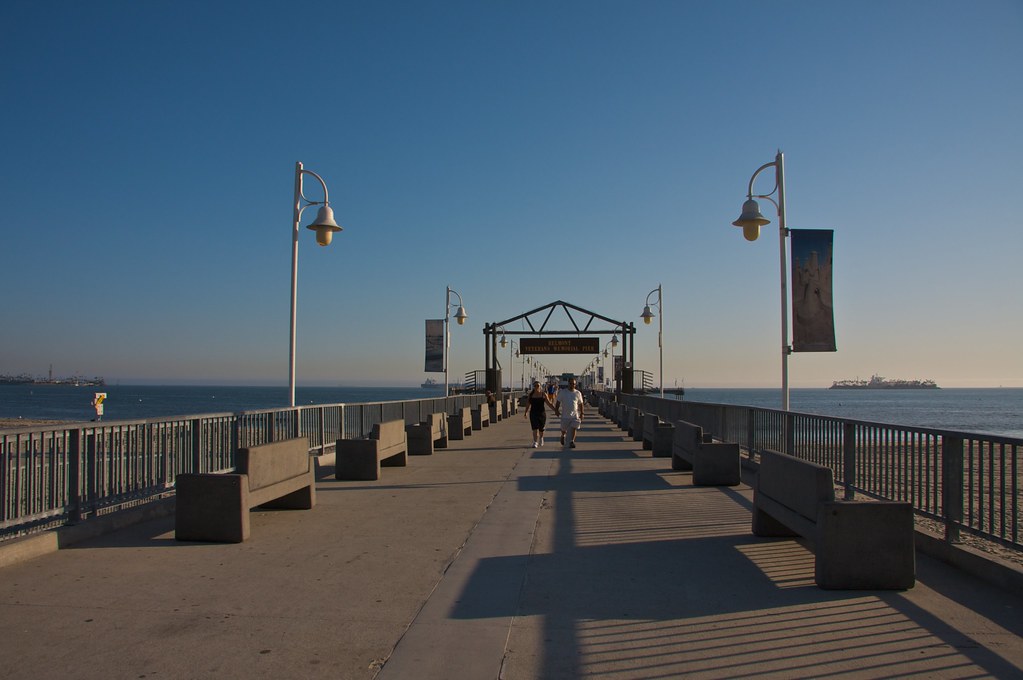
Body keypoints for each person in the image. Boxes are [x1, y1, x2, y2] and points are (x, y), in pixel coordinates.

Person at [554, 377, 584, 448]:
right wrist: (556, 410)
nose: (572, 385)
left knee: (574, 427)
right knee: (563, 429)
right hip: (565, 415)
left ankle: (572, 441)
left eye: (573, 384)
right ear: (568, 384)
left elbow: (580, 404)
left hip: (575, 415)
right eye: (570, 384)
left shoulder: (578, 393)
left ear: (575, 384)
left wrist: (582, 413)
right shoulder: (563, 392)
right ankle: (563, 435)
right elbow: (558, 402)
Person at [523, 381, 554, 447]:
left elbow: (549, 403)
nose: (536, 387)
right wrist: (525, 412)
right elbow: (528, 404)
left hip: (541, 413)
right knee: (534, 428)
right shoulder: (531, 395)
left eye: (538, 386)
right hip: (533, 413)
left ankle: (541, 438)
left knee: (541, 429)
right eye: (535, 386)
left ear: (540, 387)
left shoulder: (543, 394)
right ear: (533, 387)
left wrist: (555, 410)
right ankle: (535, 442)